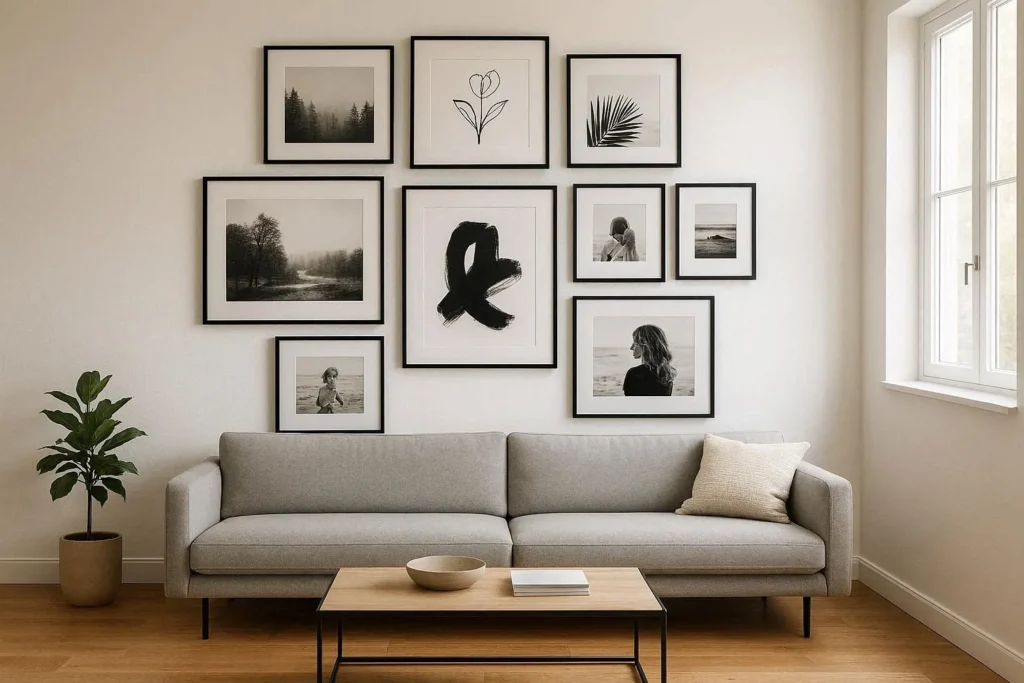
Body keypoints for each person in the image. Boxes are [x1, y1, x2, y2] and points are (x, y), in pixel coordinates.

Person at [622, 324, 676, 396]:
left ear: (646, 346)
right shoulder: (667, 374)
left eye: (635, 343)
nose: (631, 348)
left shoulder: (634, 373)